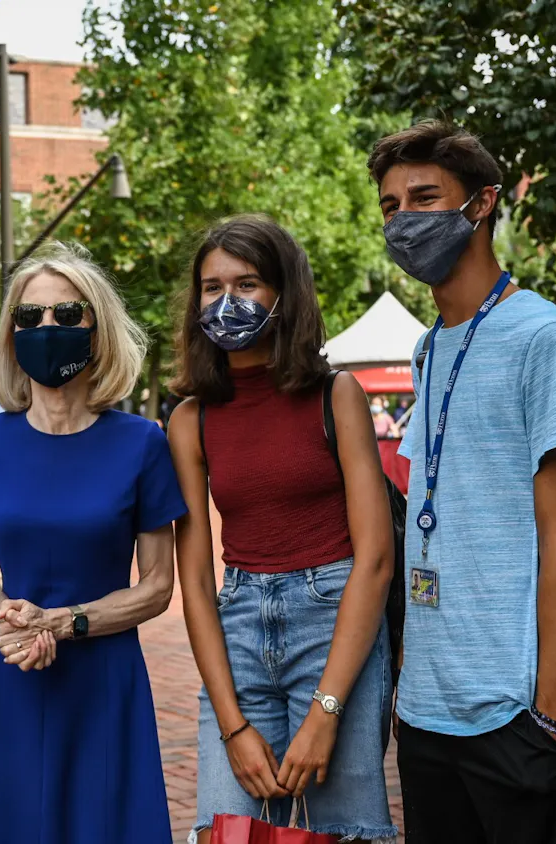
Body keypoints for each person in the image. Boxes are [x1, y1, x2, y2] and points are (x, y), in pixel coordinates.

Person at [371, 121, 556, 844]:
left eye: (424, 196)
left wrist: (554, 717)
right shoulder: (427, 347)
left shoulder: (549, 339)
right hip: (429, 712)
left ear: (482, 204)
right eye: (388, 205)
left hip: (518, 713)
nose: (404, 218)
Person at [0, 243, 185, 844]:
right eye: (29, 317)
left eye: (67, 317)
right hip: (7, 669)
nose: (47, 329)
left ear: (98, 330)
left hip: (102, 680)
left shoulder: (142, 442)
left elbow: (156, 586)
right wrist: (7, 614)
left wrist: (65, 623)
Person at [165, 216, 397, 841]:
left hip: (335, 621)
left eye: (247, 284)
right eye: (211, 288)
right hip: (238, 625)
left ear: (284, 294)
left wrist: (327, 712)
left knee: (345, 830)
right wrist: (233, 726)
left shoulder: (336, 395)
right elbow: (194, 582)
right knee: (227, 830)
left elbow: (375, 557)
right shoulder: (190, 419)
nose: (227, 301)